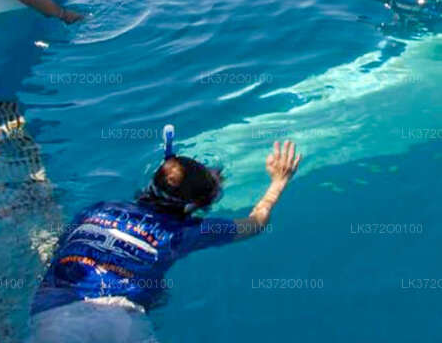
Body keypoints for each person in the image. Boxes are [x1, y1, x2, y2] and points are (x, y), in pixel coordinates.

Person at [27, 127, 302, 343]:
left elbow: (58, 251)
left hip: (56, 311)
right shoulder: (183, 232)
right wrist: (278, 182)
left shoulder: (97, 209)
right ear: (194, 207)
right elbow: (255, 223)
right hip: (122, 315)